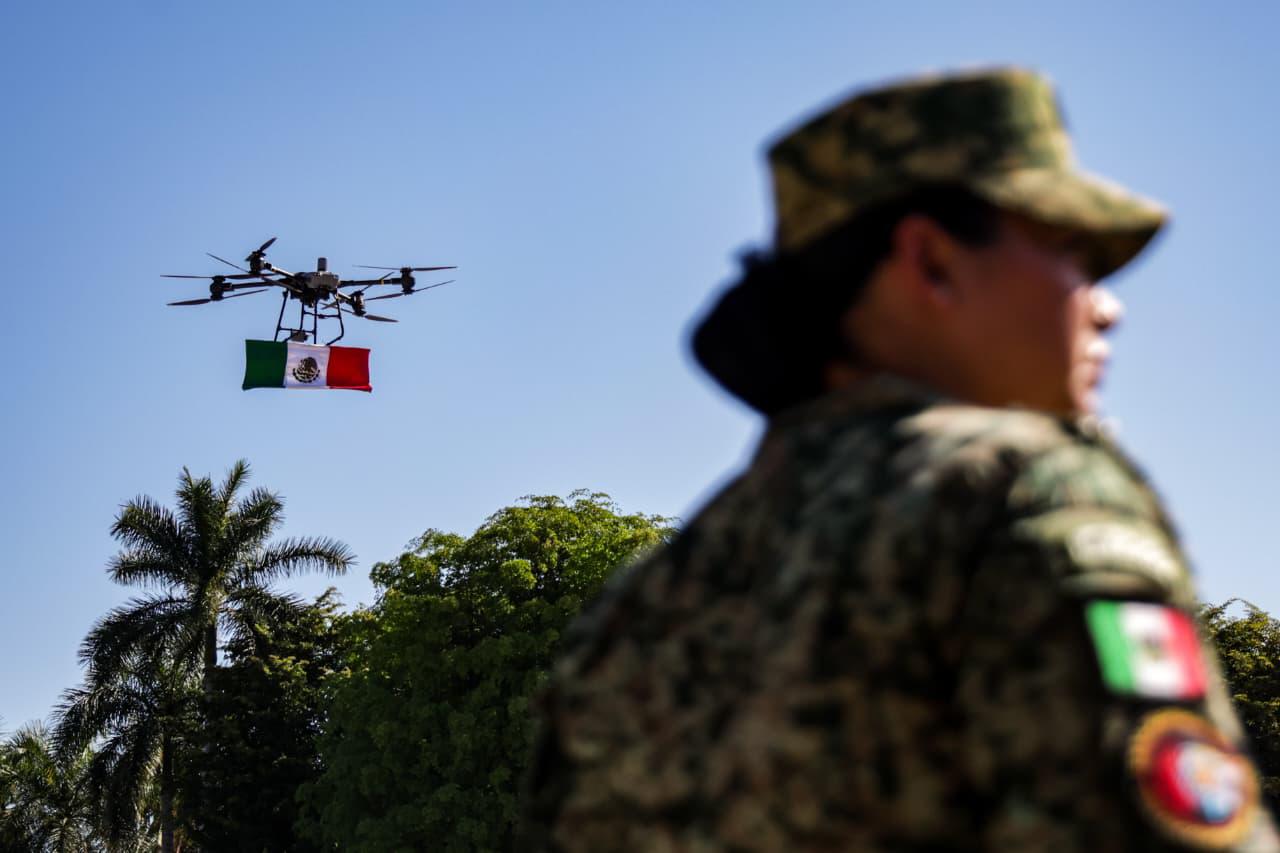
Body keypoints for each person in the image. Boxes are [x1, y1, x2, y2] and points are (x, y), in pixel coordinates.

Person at [520, 67, 1278, 851]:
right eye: (1070, 250)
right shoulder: (1025, 491)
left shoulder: (647, 599)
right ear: (932, 260)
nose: (1105, 306)